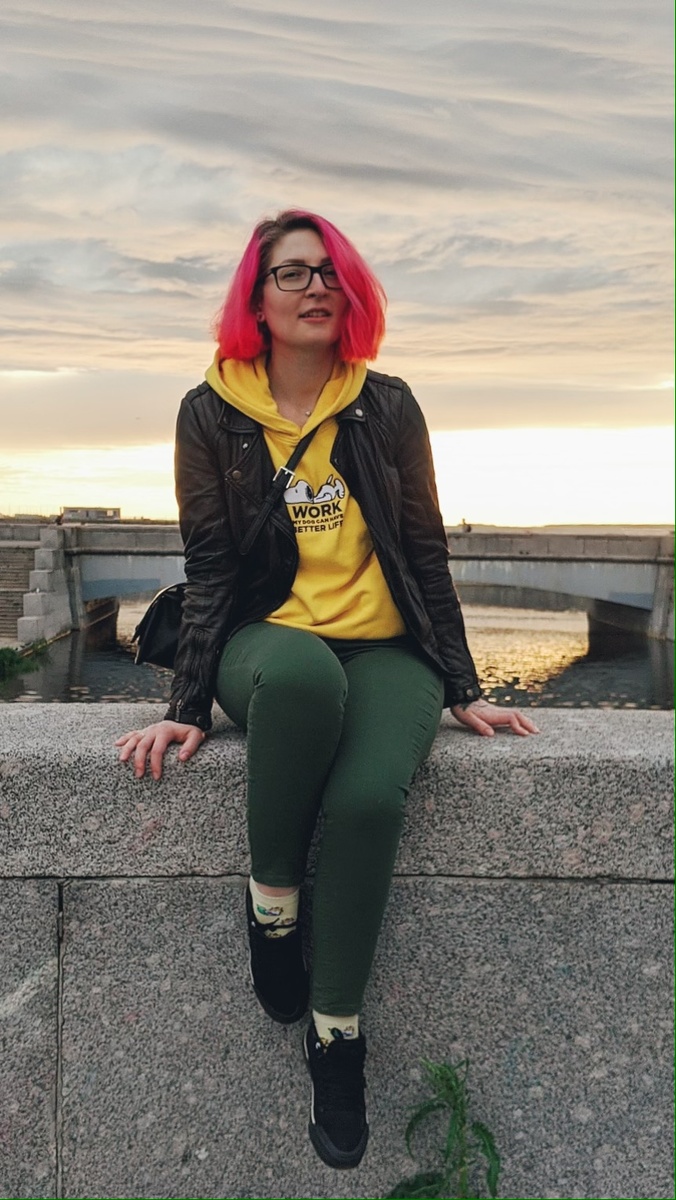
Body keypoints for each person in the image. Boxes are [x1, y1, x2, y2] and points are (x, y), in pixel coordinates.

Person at [115, 209, 539, 1170]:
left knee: (367, 799)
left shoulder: (386, 406)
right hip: (264, 640)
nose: (316, 287)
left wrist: (463, 685)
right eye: (294, 273)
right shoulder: (210, 411)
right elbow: (210, 564)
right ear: (257, 298)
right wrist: (185, 709)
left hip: (388, 649)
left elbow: (424, 550)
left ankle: (336, 1033)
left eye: (331, 274)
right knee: (304, 679)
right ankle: (274, 906)